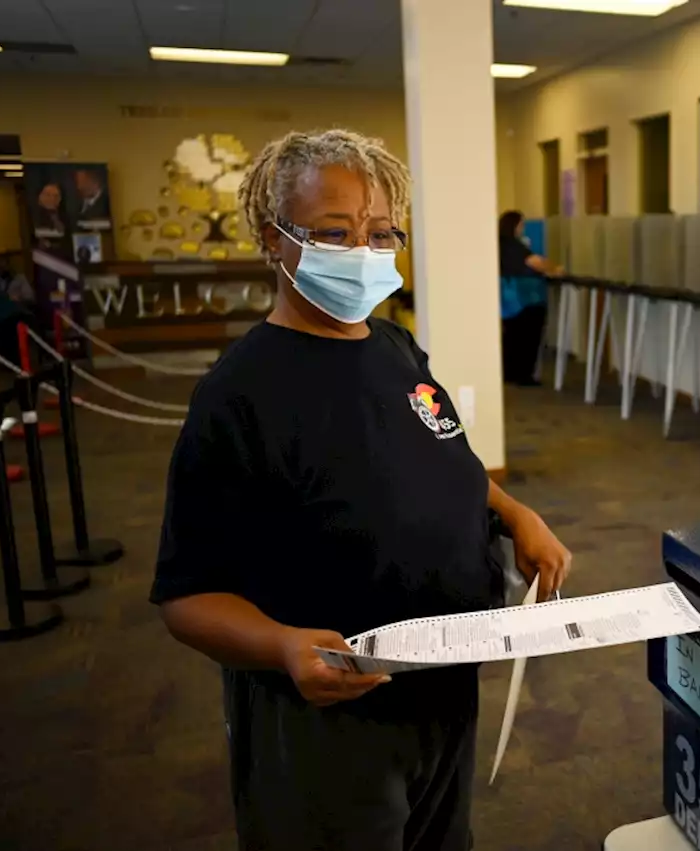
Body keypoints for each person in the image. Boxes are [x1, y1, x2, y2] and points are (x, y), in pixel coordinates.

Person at [150, 129, 572, 851]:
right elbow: (186, 597)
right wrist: (283, 646)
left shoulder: (396, 349)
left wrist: (512, 511)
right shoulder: (241, 393)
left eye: (382, 233)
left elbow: (449, 463)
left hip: (442, 687)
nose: (364, 252)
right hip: (327, 718)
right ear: (272, 238)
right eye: (333, 232)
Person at [498, 209, 559, 386]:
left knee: (511, 336)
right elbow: (535, 262)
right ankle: (524, 375)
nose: (522, 228)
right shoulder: (516, 245)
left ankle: (510, 372)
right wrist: (554, 269)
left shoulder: (499, 243)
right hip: (526, 297)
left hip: (508, 298)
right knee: (528, 337)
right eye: (521, 224)